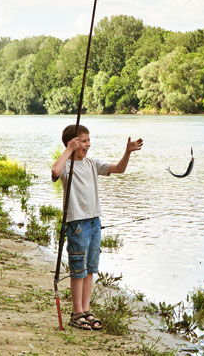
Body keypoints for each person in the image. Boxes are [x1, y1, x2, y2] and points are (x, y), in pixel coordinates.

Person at [51, 124, 143, 330]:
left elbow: (119, 168)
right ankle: (76, 313)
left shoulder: (92, 163)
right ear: (72, 143)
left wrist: (127, 152)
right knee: (78, 269)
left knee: (90, 268)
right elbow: (55, 171)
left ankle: (86, 309)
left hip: (94, 222)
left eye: (88, 140)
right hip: (76, 223)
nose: (88, 145)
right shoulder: (67, 165)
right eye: (83, 141)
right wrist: (68, 150)